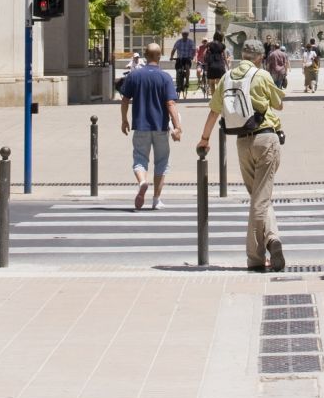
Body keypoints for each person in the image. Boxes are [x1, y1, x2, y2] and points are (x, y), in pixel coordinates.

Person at [197, 40, 287, 271]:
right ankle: (256, 256)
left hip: (241, 142)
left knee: (259, 196)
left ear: (242, 55)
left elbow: (214, 111)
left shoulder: (227, 77)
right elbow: (279, 104)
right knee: (260, 199)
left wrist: (204, 139)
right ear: (259, 57)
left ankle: (272, 239)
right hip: (265, 138)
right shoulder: (261, 75)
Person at [119, 41, 183, 209]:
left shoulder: (134, 75)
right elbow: (170, 103)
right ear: (159, 56)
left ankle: (142, 182)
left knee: (140, 159)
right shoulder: (165, 77)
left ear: (145, 56)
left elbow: (125, 100)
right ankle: (156, 199)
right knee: (162, 162)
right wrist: (177, 127)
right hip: (160, 126)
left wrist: (124, 120)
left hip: (140, 126)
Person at [170, 29, 196, 96]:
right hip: (180, 58)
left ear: (187, 35)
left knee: (187, 67)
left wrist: (192, 56)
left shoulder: (190, 42)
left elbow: (194, 50)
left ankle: (187, 81)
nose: (184, 35)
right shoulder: (178, 41)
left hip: (187, 58)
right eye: (183, 34)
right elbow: (174, 49)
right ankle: (178, 84)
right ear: (182, 35)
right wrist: (171, 56)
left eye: (186, 34)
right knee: (178, 69)